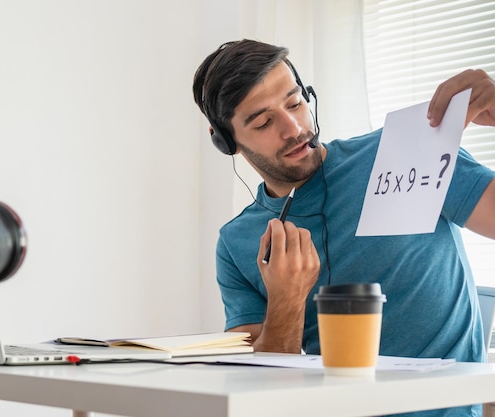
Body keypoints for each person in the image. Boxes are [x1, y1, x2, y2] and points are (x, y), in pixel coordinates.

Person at [193, 39, 495, 417]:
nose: (293, 128)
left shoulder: (403, 151)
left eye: (295, 102)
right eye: (264, 121)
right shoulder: (237, 242)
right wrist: (287, 299)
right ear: (226, 141)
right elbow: (263, 395)